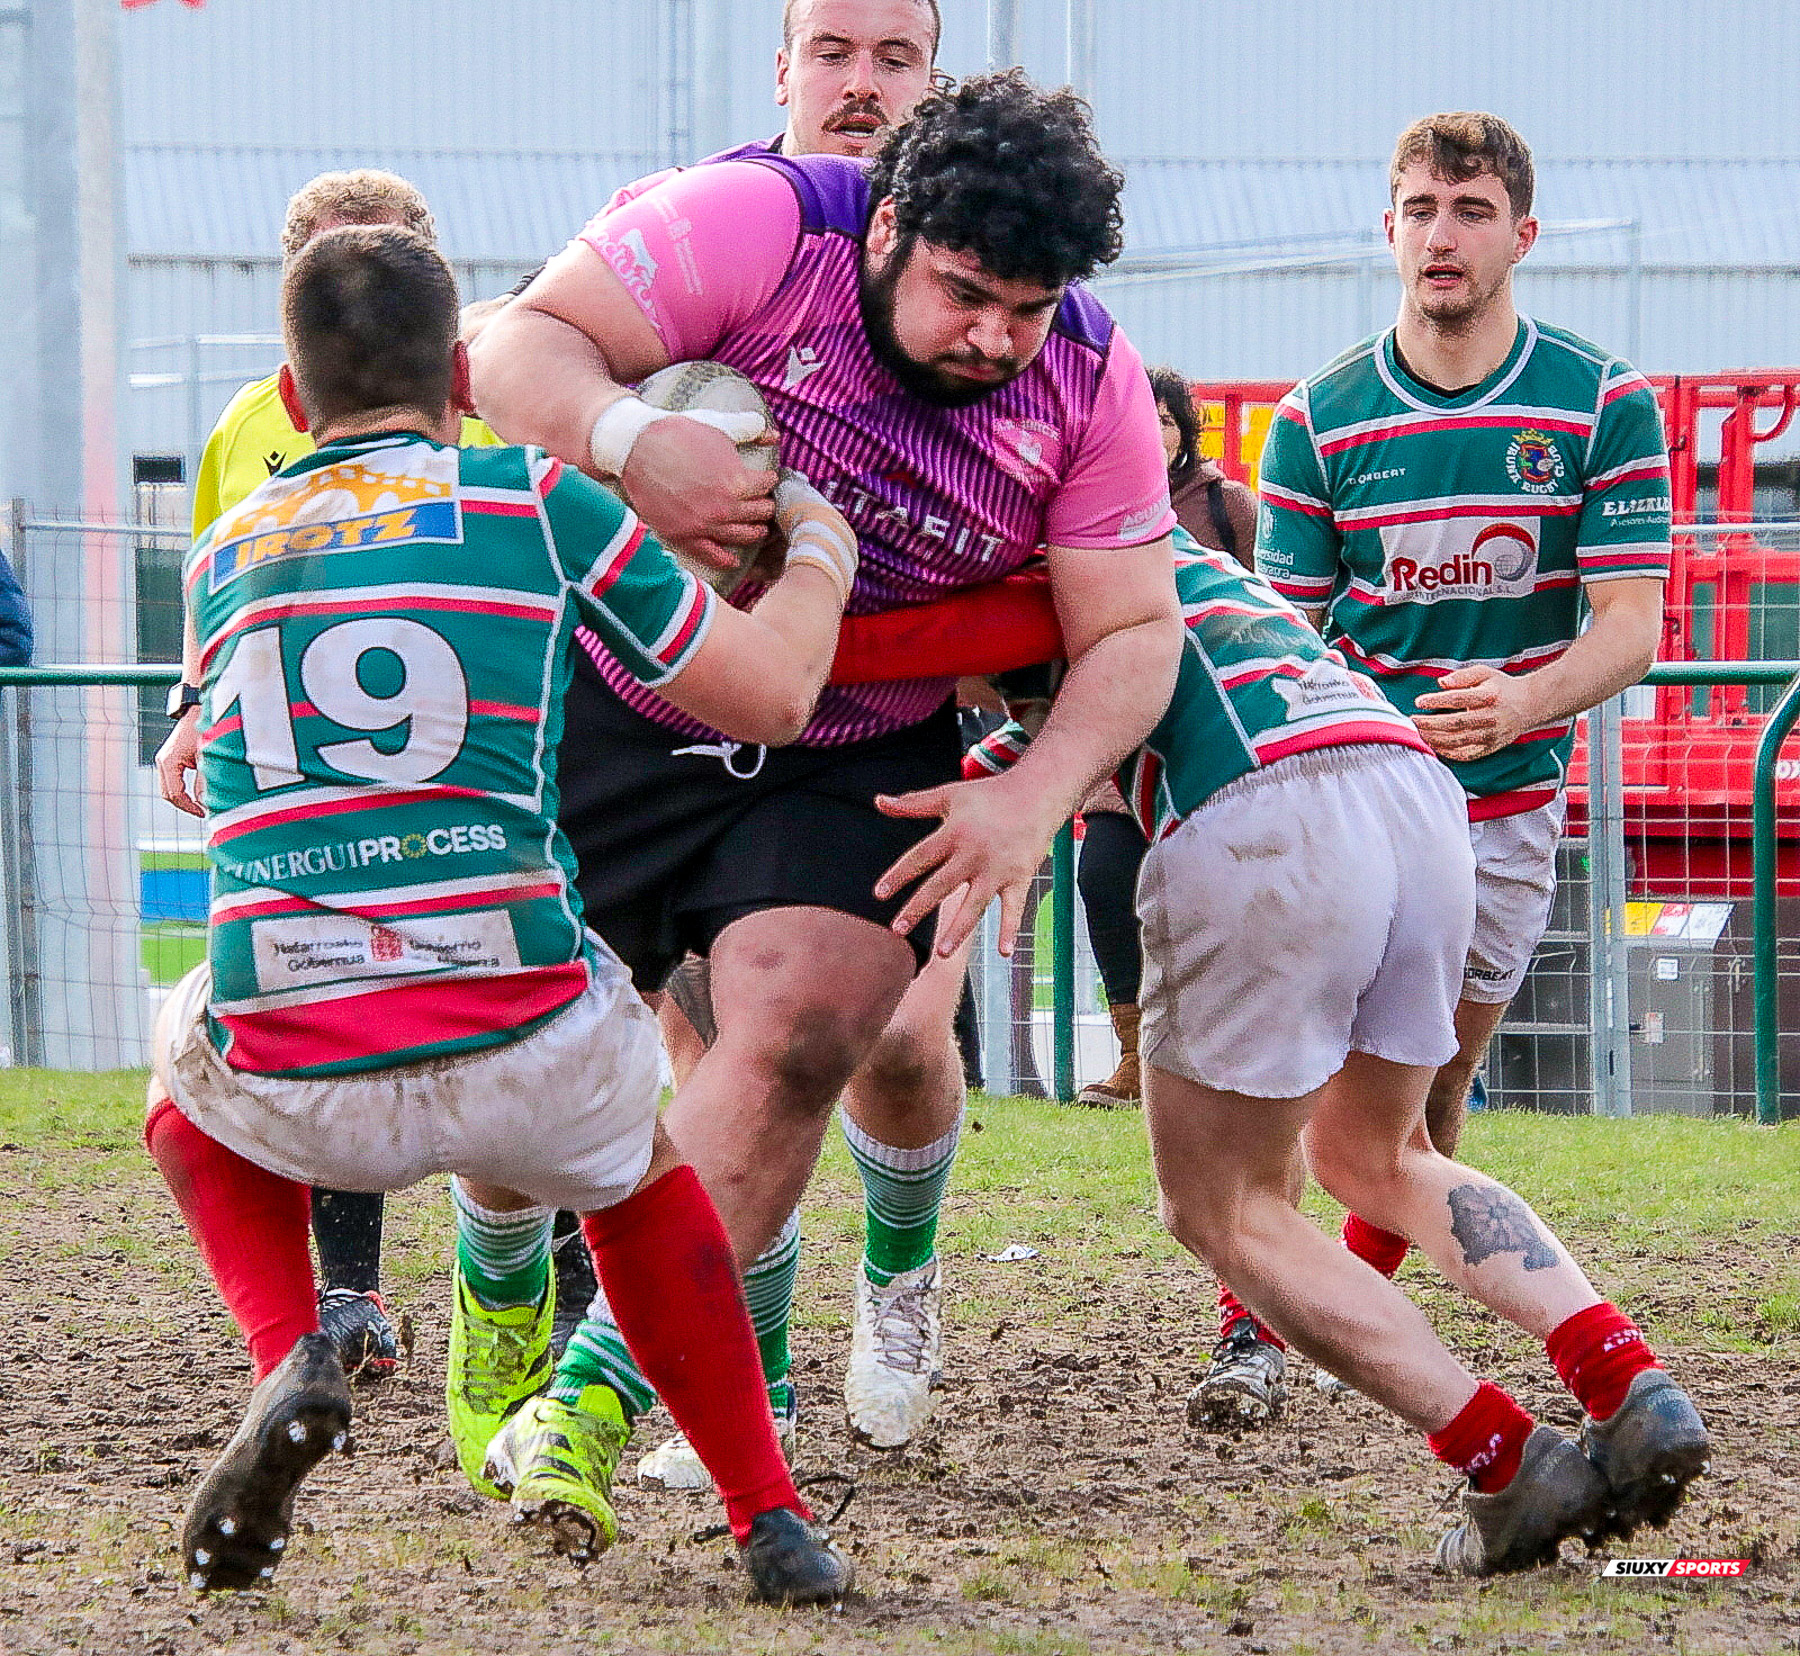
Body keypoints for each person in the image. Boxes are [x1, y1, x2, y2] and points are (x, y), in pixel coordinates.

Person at [469, 71, 1181, 1473]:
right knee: (523, 1056)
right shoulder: (757, 223)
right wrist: (630, 442)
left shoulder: (1089, 375)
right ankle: (496, 1277)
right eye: (966, 292)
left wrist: (1032, 795)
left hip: (849, 746)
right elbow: (513, 349)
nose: (994, 337)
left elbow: (1139, 625)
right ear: (890, 222)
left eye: (1025, 310)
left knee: (812, 1030)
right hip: (625, 695)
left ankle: (595, 1400)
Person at [146, 223, 858, 1604]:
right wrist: (819, 548)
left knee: (179, 1100)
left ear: (291, 401)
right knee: (643, 1193)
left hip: (302, 1058)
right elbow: (775, 696)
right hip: (525, 1038)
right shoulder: (539, 503)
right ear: (466, 374)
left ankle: (296, 1342)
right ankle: (769, 1517)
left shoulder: (226, 552)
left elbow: (207, 756)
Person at [945, 526, 1709, 1576]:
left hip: (1264, 803)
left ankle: (1502, 1459)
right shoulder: (1137, 527)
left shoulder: (985, 542)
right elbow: (1050, 723)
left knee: (1221, 1207)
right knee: (1383, 1158)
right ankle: (1626, 1380)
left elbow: (998, 698)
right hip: (1407, 781)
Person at [1193, 109, 1675, 1425]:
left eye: (1469, 211)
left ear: (1522, 234)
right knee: (1300, 1077)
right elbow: (1281, 634)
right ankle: (1260, 1336)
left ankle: (1354, 1299)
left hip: (1507, 812)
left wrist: (1522, 697)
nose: (1441, 234)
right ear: (1386, 230)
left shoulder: (1600, 401)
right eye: (1419, 208)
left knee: (1426, 1094)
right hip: (1351, 803)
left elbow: (1632, 627)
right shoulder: (1319, 418)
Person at [174, 168, 502, 1382]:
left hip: (478, 752)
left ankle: (552, 1275)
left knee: (495, 1004)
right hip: (312, 764)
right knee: (334, 1006)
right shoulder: (239, 434)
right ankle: (352, 1292)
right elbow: (217, 602)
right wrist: (189, 713)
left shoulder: (494, 410)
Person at [1073, 366, 1257, 1108]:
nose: (1152, 433)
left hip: (1213, 740)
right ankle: (1134, 1057)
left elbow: (1277, 606)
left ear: (1186, 433)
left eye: (1168, 420)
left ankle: (1226, 1063)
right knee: (1105, 878)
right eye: (1136, 417)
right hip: (1122, 744)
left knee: (1218, 897)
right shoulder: (1085, 500)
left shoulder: (1226, 505)